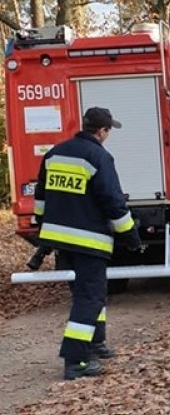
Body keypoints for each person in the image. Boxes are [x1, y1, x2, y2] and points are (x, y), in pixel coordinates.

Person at [33, 105, 142, 380]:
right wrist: (130, 235)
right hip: (89, 240)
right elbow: (113, 201)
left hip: (59, 240)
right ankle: (76, 360)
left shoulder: (55, 153)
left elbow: (41, 196)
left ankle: (96, 342)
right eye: (108, 130)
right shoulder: (99, 156)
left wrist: (42, 226)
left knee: (92, 293)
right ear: (102, 131)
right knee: (89, 297)